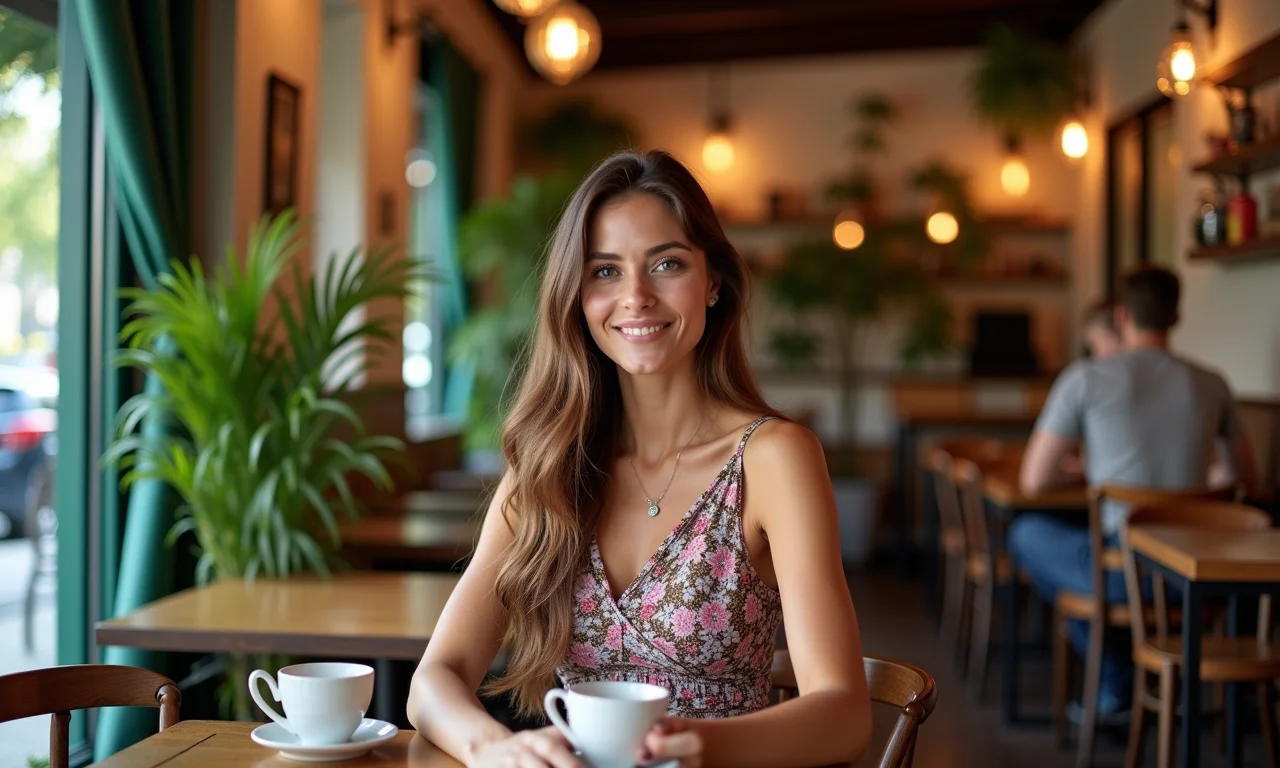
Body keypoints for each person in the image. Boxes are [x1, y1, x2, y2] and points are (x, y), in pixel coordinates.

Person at [407, 150, 872, 768]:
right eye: (605, 272)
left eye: (667, 264)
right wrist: (497, 749)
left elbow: (844, 712)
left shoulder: (773, 458)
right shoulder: (548, 467)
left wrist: (696, 744)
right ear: (576, 296)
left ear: (712, 283)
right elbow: (434, 679)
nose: (636, 297)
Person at [1011, 266, 1257, 720]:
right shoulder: (1212, 381)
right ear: (1177, 317)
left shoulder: (1085, 378)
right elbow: (1245, 478)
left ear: (1122, 316)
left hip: (1123, 575)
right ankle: (1147, 679)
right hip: (1195, 577)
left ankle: (1115, 683)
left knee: (1026, 534)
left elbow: (1033, 481)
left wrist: (1094, 477)